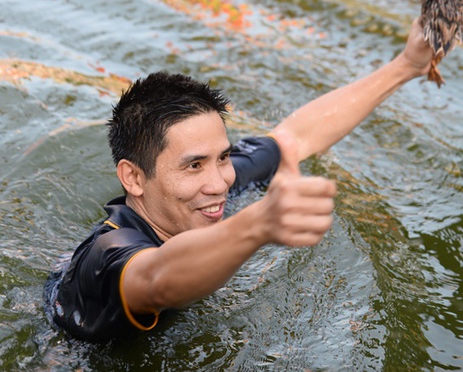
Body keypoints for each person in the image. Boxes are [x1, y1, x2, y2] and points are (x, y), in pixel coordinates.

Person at [44, 18, 434, 341]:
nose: (219, 183)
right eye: (193, 165)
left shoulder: (211, 185)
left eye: (224, 157)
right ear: (133, 177)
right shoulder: (108, 255)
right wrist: (259, 222)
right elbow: (157, 278)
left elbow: (293, 138)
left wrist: (408, 64)